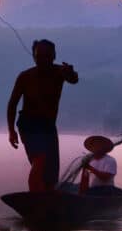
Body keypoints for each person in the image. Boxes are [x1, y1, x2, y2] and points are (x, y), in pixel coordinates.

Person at [7, 39, 78, 192]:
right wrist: (11, 131)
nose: (43, 60)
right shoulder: (25, 76)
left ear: (53, 56)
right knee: (39, 160)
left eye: (47, 56)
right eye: (39, 56)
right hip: (28, 123)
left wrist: (70, 72)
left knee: (51, 173)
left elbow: (74, 79)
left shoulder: (59, 72)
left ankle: (46, 198)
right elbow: (12, 104)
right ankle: (35, 197)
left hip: (48, 126)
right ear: (34, 56)